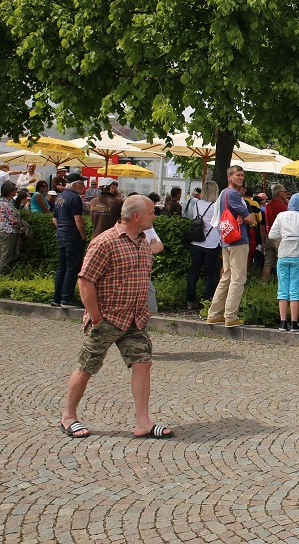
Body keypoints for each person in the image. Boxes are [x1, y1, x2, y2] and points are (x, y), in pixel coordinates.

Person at [58, 195, 173, 440]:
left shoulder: (143, 241)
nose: (155, 216)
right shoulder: (105, 242)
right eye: (152, 212)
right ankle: (69, 416)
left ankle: (143, 422)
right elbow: (85, 280)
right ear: (137, 216)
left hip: (135, 318)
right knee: (87, 366)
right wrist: (97, 318)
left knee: (143, 364)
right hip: (108, 318)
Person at [206, 166, 257, 328]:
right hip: (238, 240)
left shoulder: (223, 194)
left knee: (227, 277)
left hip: (226, 239)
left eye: (242, 175)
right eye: (238, 175)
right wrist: (249, 217)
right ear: (230, 177)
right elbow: (250, 219)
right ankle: (230, 315)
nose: (241, 178)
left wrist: (245, 217)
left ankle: (214, 314)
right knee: (238, 278)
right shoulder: (233, 194)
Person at [268, 192, 299, 332]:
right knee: (295, 289)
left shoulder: (281, 216)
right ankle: (294, 323)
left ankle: (283, 323)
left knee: (282, 289)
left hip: (283, 254)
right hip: (298, 255)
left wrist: (285, 234)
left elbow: (272, 234)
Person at [51, 174, 87, 308]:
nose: (83, 187)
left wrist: (62, 228)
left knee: (62, 267)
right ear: (75, 184)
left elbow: (54, 219)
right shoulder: (74, 197)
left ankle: (57, 298)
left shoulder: (59, 197)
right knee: (72, 267)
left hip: (61, 234)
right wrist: (83, 236)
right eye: (81, 184)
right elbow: (78, 219)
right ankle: (66, 298)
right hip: (72, 235)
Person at [185, 181, 222, 311]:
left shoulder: (197, 204)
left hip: (196, 241)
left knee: (193, 273)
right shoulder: (217, 206)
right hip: (212, 242)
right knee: (210, 274)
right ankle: (206, 302)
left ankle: (190, 301)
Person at [0, 181, 22, 276]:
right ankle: (0, 277)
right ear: (10, 191)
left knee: (0, 253)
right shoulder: (8, 204)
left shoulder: (0, 201)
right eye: (15, 189)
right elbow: (13, 219)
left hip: (1, 229)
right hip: (10, 231)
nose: (16, 191)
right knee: (6, 255)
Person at [261, 185, 288, 282]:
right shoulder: (282, 207)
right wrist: (286, 202)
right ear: (280, 193)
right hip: (279, 237)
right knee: (282, 261)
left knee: (268, 262)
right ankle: (282, 283)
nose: (285, 193)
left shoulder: (268, 206)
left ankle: (263, 283)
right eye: (284, 192)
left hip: (269, 235)